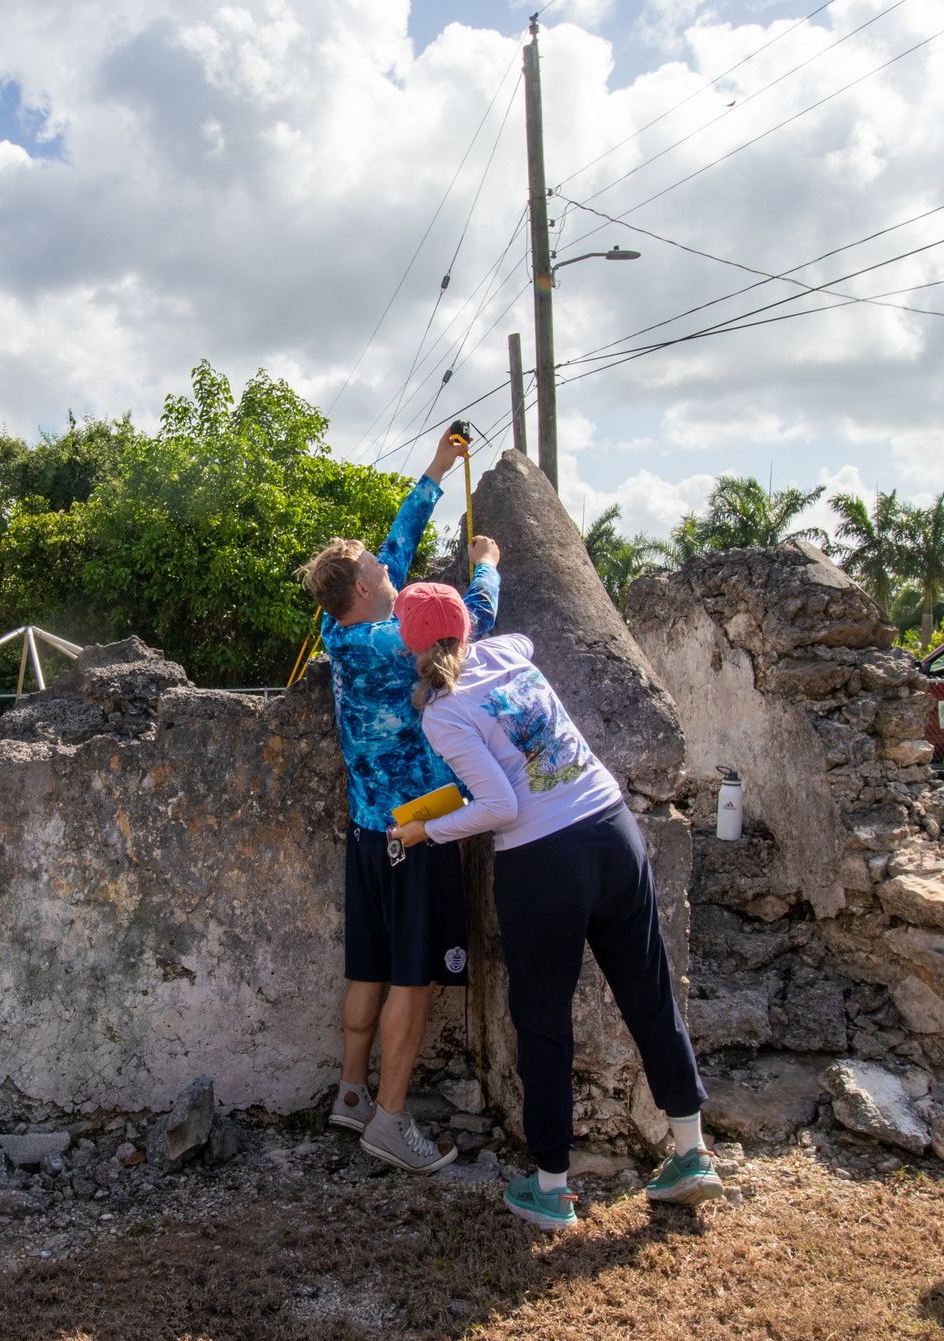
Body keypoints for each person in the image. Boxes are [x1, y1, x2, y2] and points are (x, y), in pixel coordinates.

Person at [388, 579, 723, 1227]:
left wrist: (422, 828)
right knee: (651, 996)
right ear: (466, 627)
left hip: (544, 860)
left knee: (543, 1022)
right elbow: (517, 634)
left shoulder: (442, 712)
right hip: (611, 829)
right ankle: (692, 1152)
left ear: (410, 647)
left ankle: (552, 1187)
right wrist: (485, 572)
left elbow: (499, 807)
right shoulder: (512, 653)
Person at [297, 429, 499, 1174]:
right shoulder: (392, 646)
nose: (390, 565)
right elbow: (464, 628)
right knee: (410, 977)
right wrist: (486, 572)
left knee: (369, 966)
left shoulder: (339, 630)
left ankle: (350, 1094)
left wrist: (436, 476)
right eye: (379, 569)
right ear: (361, 590)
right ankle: (388, 1119)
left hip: (365, 832)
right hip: (416, 831)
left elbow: (394, 547)